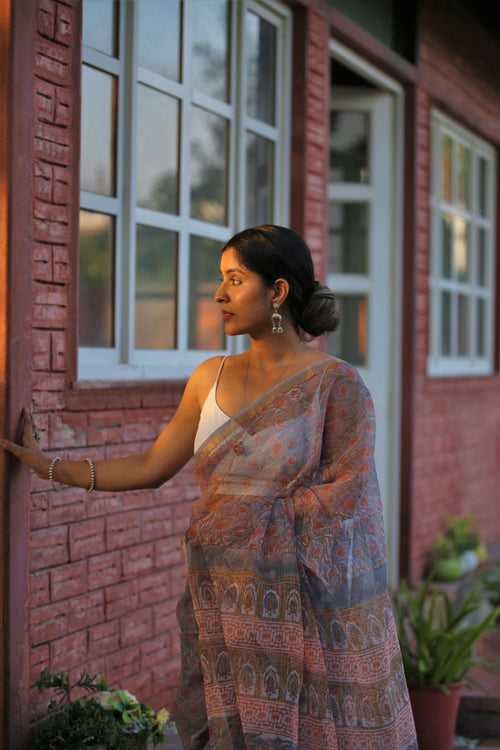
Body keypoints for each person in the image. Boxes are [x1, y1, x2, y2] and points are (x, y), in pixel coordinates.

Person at [0, 225, 417, 749]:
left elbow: (349, 497)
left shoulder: (337, 385)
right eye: (221, 279)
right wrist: (49, 466)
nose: (218, 294)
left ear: (278, 292)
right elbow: (152, 466)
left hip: (301, 609)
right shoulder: (209, 377)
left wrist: (249, 520)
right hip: (218, 593)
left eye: (235, 279)